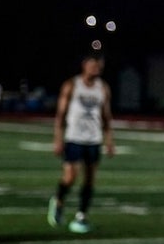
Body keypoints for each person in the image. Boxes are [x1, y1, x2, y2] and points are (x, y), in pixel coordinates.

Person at [48, 52, 115, 234]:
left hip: (94, 140)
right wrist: (57, 139)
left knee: (90, 180)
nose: (97, 68)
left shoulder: (103, 88)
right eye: (94, 64)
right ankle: (59, 201)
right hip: (74, 138)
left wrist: (110, 141)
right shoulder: (72, 85)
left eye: (99, 66)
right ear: (85, 65)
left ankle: (82, 216)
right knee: (70, 177)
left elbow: (106, 117)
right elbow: (60, 115)